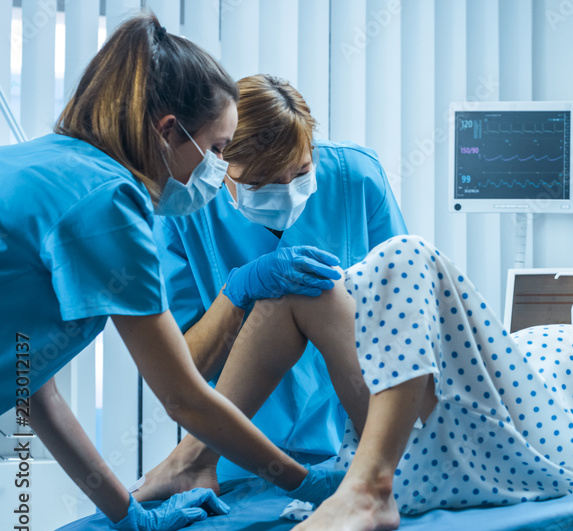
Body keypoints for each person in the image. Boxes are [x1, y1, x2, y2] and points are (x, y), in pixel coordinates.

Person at [132, 192, 573, 531]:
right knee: (299, 290)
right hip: (453, 417)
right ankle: (196, 457)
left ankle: (371, 486)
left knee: (411, 255)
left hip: (536, 448)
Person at [0, 14, 338, 531]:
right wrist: (309, 484)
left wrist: (128, 515)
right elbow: (181, 394)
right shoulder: (108, 201)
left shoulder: (41, 162)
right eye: (220, 149)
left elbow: (31, 383)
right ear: (168, 130)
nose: (222, 169)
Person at [144, 74, 406, 488]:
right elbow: (179, 373)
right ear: (219, 165)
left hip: (358, 429)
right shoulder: (185, 209)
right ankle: (194, 460)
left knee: (310, 292)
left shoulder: (356, 177)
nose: (286, 191)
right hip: (240, 445)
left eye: (301, 171)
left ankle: (190, 460)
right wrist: (237, 293)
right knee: (293, 296)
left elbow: (403, 321)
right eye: (261, 182)